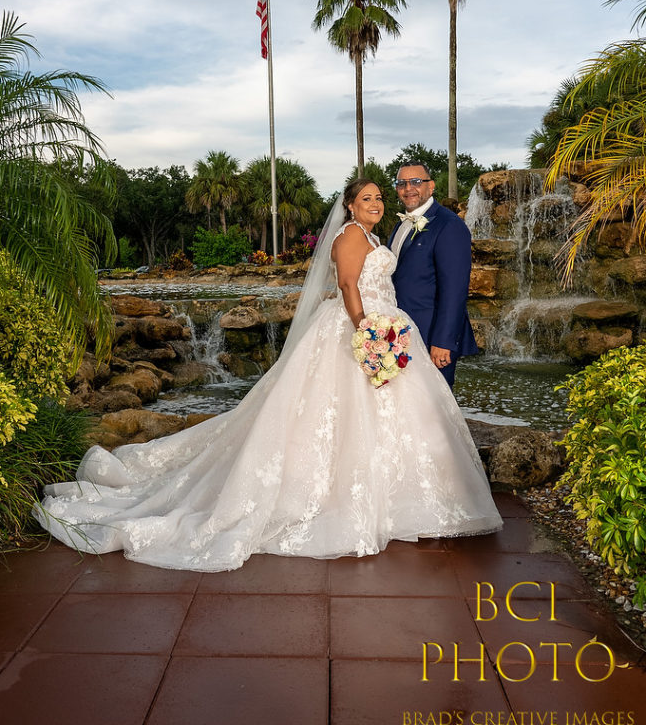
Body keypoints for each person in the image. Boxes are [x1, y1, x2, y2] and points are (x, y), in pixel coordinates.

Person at [35, 178, 501, 571]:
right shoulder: (352, 237)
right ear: (349, 206)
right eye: (367, 199)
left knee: (393, 417)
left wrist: (384, 330)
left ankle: (401, 498)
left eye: (381, 197)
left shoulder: (378, 237)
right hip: (362, 330)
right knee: (334, 414)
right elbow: (347, 286)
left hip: (390, 329)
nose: (377, 204)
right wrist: (366, 332)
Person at [387, 161, 478, 388]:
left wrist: (443, 341)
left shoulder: (449, 225)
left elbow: (454, 290)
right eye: (402, 183)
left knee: (435, 411)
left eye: (416, 182)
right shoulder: (400, 225)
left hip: (432, 337)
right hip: (402, 335)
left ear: (431, 186)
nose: (409, 188)